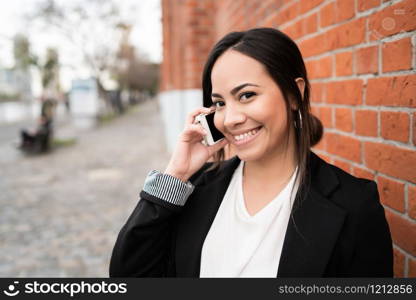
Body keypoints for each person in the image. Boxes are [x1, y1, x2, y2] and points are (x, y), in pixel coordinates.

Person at [109, 28, 393, 277]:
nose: (230, 118)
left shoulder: (355, 205)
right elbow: (130, 275)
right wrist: (177, 174)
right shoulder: (197, 189)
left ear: (294, 95)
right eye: (219, 103)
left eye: (247, 95)